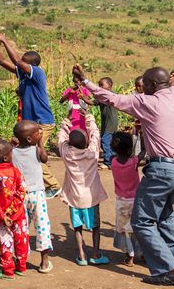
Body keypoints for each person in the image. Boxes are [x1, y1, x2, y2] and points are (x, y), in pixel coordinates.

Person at [74, 64, 174, 285]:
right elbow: (173, 88)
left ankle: (171, 270)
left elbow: (113, 99)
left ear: (154, 85)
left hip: (163, 170)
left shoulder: (148, 102)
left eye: (144, 84)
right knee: (165, 216)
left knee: (142, 222)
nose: (140, 88)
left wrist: (86, 82)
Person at [0, 33, 61, 198]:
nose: (20, 63)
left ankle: (54, 185)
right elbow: (1, 61)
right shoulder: (22, 74)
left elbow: (16, 61)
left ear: (32, 65)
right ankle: (41, 183)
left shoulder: (37, 72)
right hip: (30, 124)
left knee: (34, 154)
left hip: (41, 122)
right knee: (29, 152)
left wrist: (5, 40)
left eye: (24, 61)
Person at [58, 113, 109, 266]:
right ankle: (95, 254)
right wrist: (88, 118)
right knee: (95, 226)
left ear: (70, 143)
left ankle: (81, 255)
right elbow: (96, 135)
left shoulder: (67, 154)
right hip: (91, 198)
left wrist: (65, 122)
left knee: (77, 227)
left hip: (74, 198)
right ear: (87, 142)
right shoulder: (92, 153)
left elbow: (61, 139)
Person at [10, 120, 53, 273]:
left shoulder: (12, 152)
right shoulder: (36, 150)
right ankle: (44, 261)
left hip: (20, 195)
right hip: (37, 194)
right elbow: (45, 158)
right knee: (42, 226)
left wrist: (14, 145)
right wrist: (41, 141)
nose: (40, 134)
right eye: (37, 133)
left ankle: (21, 259)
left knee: (21, 228)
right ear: (30, 139)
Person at [0, 139, 28, 279]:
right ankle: (21, 267)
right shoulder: (15, 172)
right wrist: (12, 211)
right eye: (11, 153)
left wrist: (3, 215)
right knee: (21, 240)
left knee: (5, 242)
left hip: (1, 218)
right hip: (18, 215)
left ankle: (8, 271)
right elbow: (22, 192)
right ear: (5, 157)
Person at [110, 131, 140, 266]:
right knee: (137, 228)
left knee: (125, 230)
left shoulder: (113, 162)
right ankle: (142, 252)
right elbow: (143, 152)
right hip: (136, 200)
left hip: (121, 201)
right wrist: (142, 136)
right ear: (130, 148)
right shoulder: (134, 162)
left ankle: (129, 257)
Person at [96, 77, 119, 168]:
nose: (100, 87)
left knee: (105, 141)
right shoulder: (102, 96)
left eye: (102, 85)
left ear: (109, 85)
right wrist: (83, 97)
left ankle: (108, 163)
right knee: (107, 142)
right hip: (106, 124)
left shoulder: (110, 95)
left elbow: (94, 101)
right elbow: (92, 102)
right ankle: (113, 160)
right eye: (99, 85)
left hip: (110, 124)